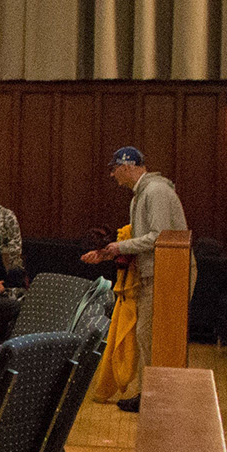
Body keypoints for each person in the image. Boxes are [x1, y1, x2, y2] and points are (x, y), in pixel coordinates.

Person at [78, 147, 189, 414]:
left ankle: (155, 396)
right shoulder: (142, 193)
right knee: (148, 336)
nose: (112, 174)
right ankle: (152, 393)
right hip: (156, 273)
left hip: (167, 275)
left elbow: (159, 237)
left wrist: (119, 247)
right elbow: (144, 240)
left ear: (127, 166)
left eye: (114, 168)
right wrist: (109, 253)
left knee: (154, 337)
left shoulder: (155, 191)